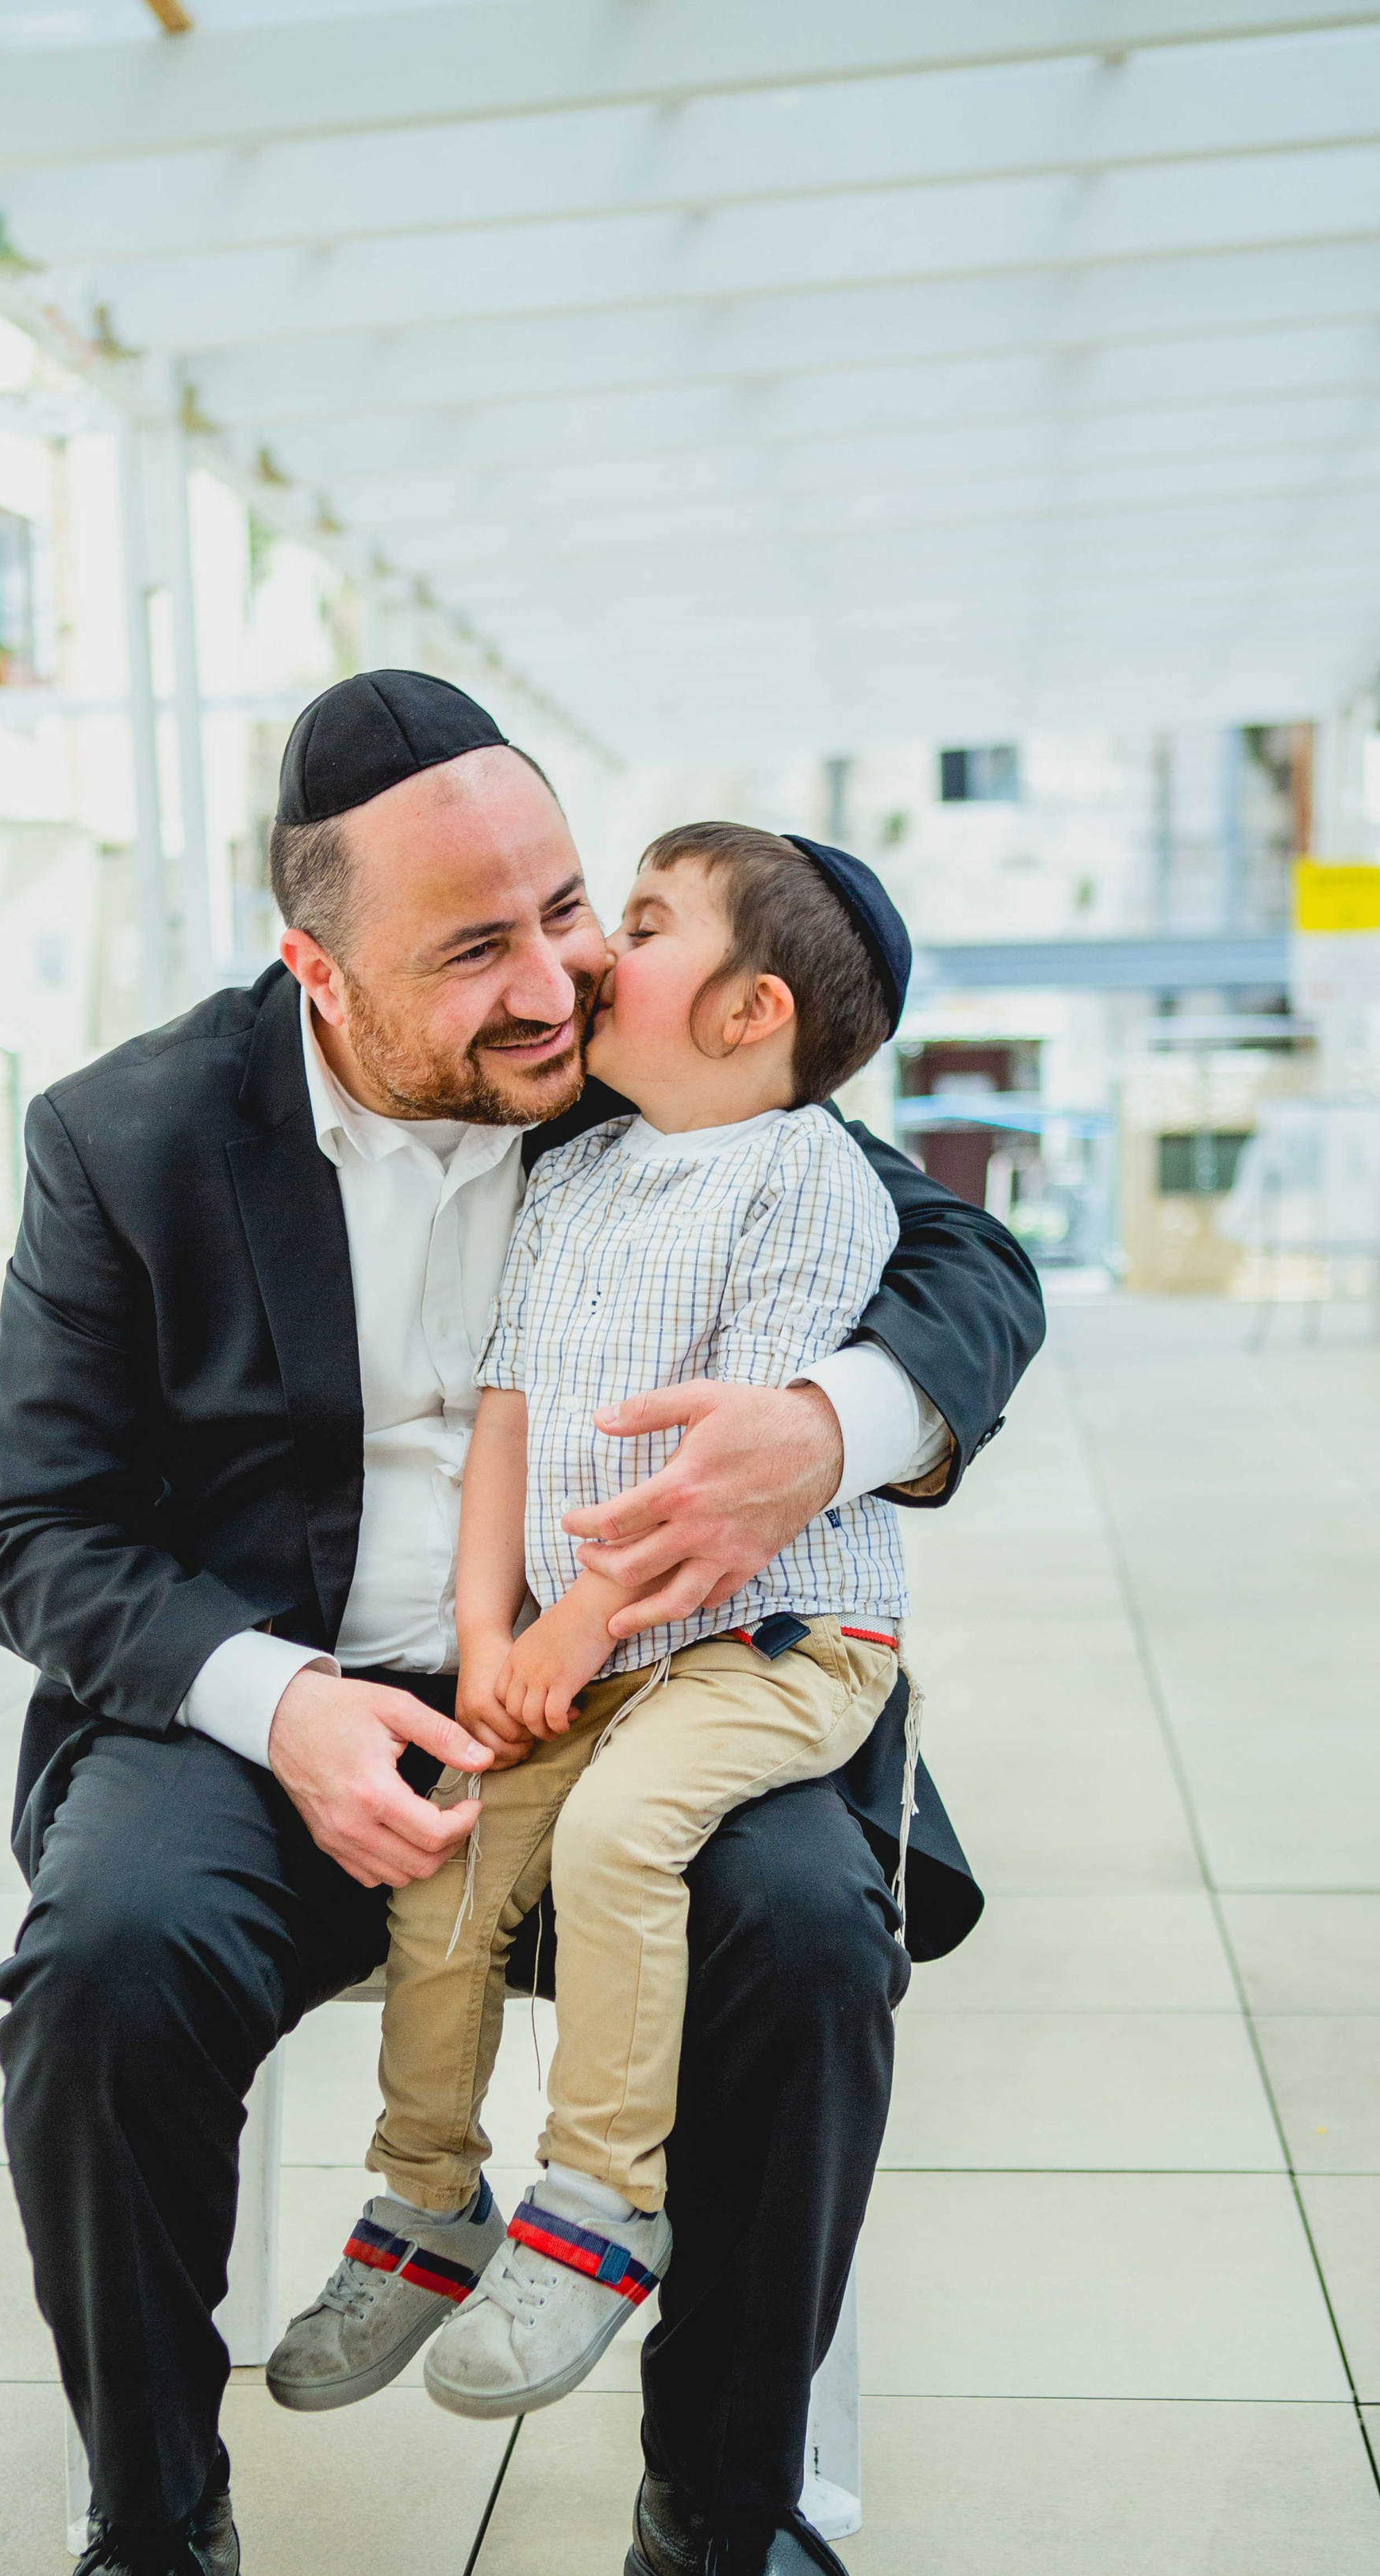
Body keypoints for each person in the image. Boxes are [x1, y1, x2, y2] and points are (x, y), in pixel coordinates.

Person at [0, 669, 1044, 2576]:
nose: (552, 980)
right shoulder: (131, 1136)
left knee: (813, 1933)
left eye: (566, 906)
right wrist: (284, 1712)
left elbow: (966, 1259)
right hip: (273, 1714)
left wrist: (828, 1429)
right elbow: (38, 1529)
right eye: (476, 947)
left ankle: (722, 2514)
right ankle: (155, 2532)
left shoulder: (650, 1054)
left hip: (648, 1684)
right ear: (317, 966)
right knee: (102, 1964)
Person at [267, 822, 913, 2434]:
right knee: (451, 1853)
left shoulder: (807, 1179)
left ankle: (597, 2202)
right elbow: (508, 1415)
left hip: (774, 1644)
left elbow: (722, 1484)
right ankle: (425, 2196)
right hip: (588, 1645)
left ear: (752, 1011)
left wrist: (574, 1636)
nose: (595, 957)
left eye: (638, 922)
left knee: (623, 1840)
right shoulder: (585, 1170)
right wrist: (493, 1641)